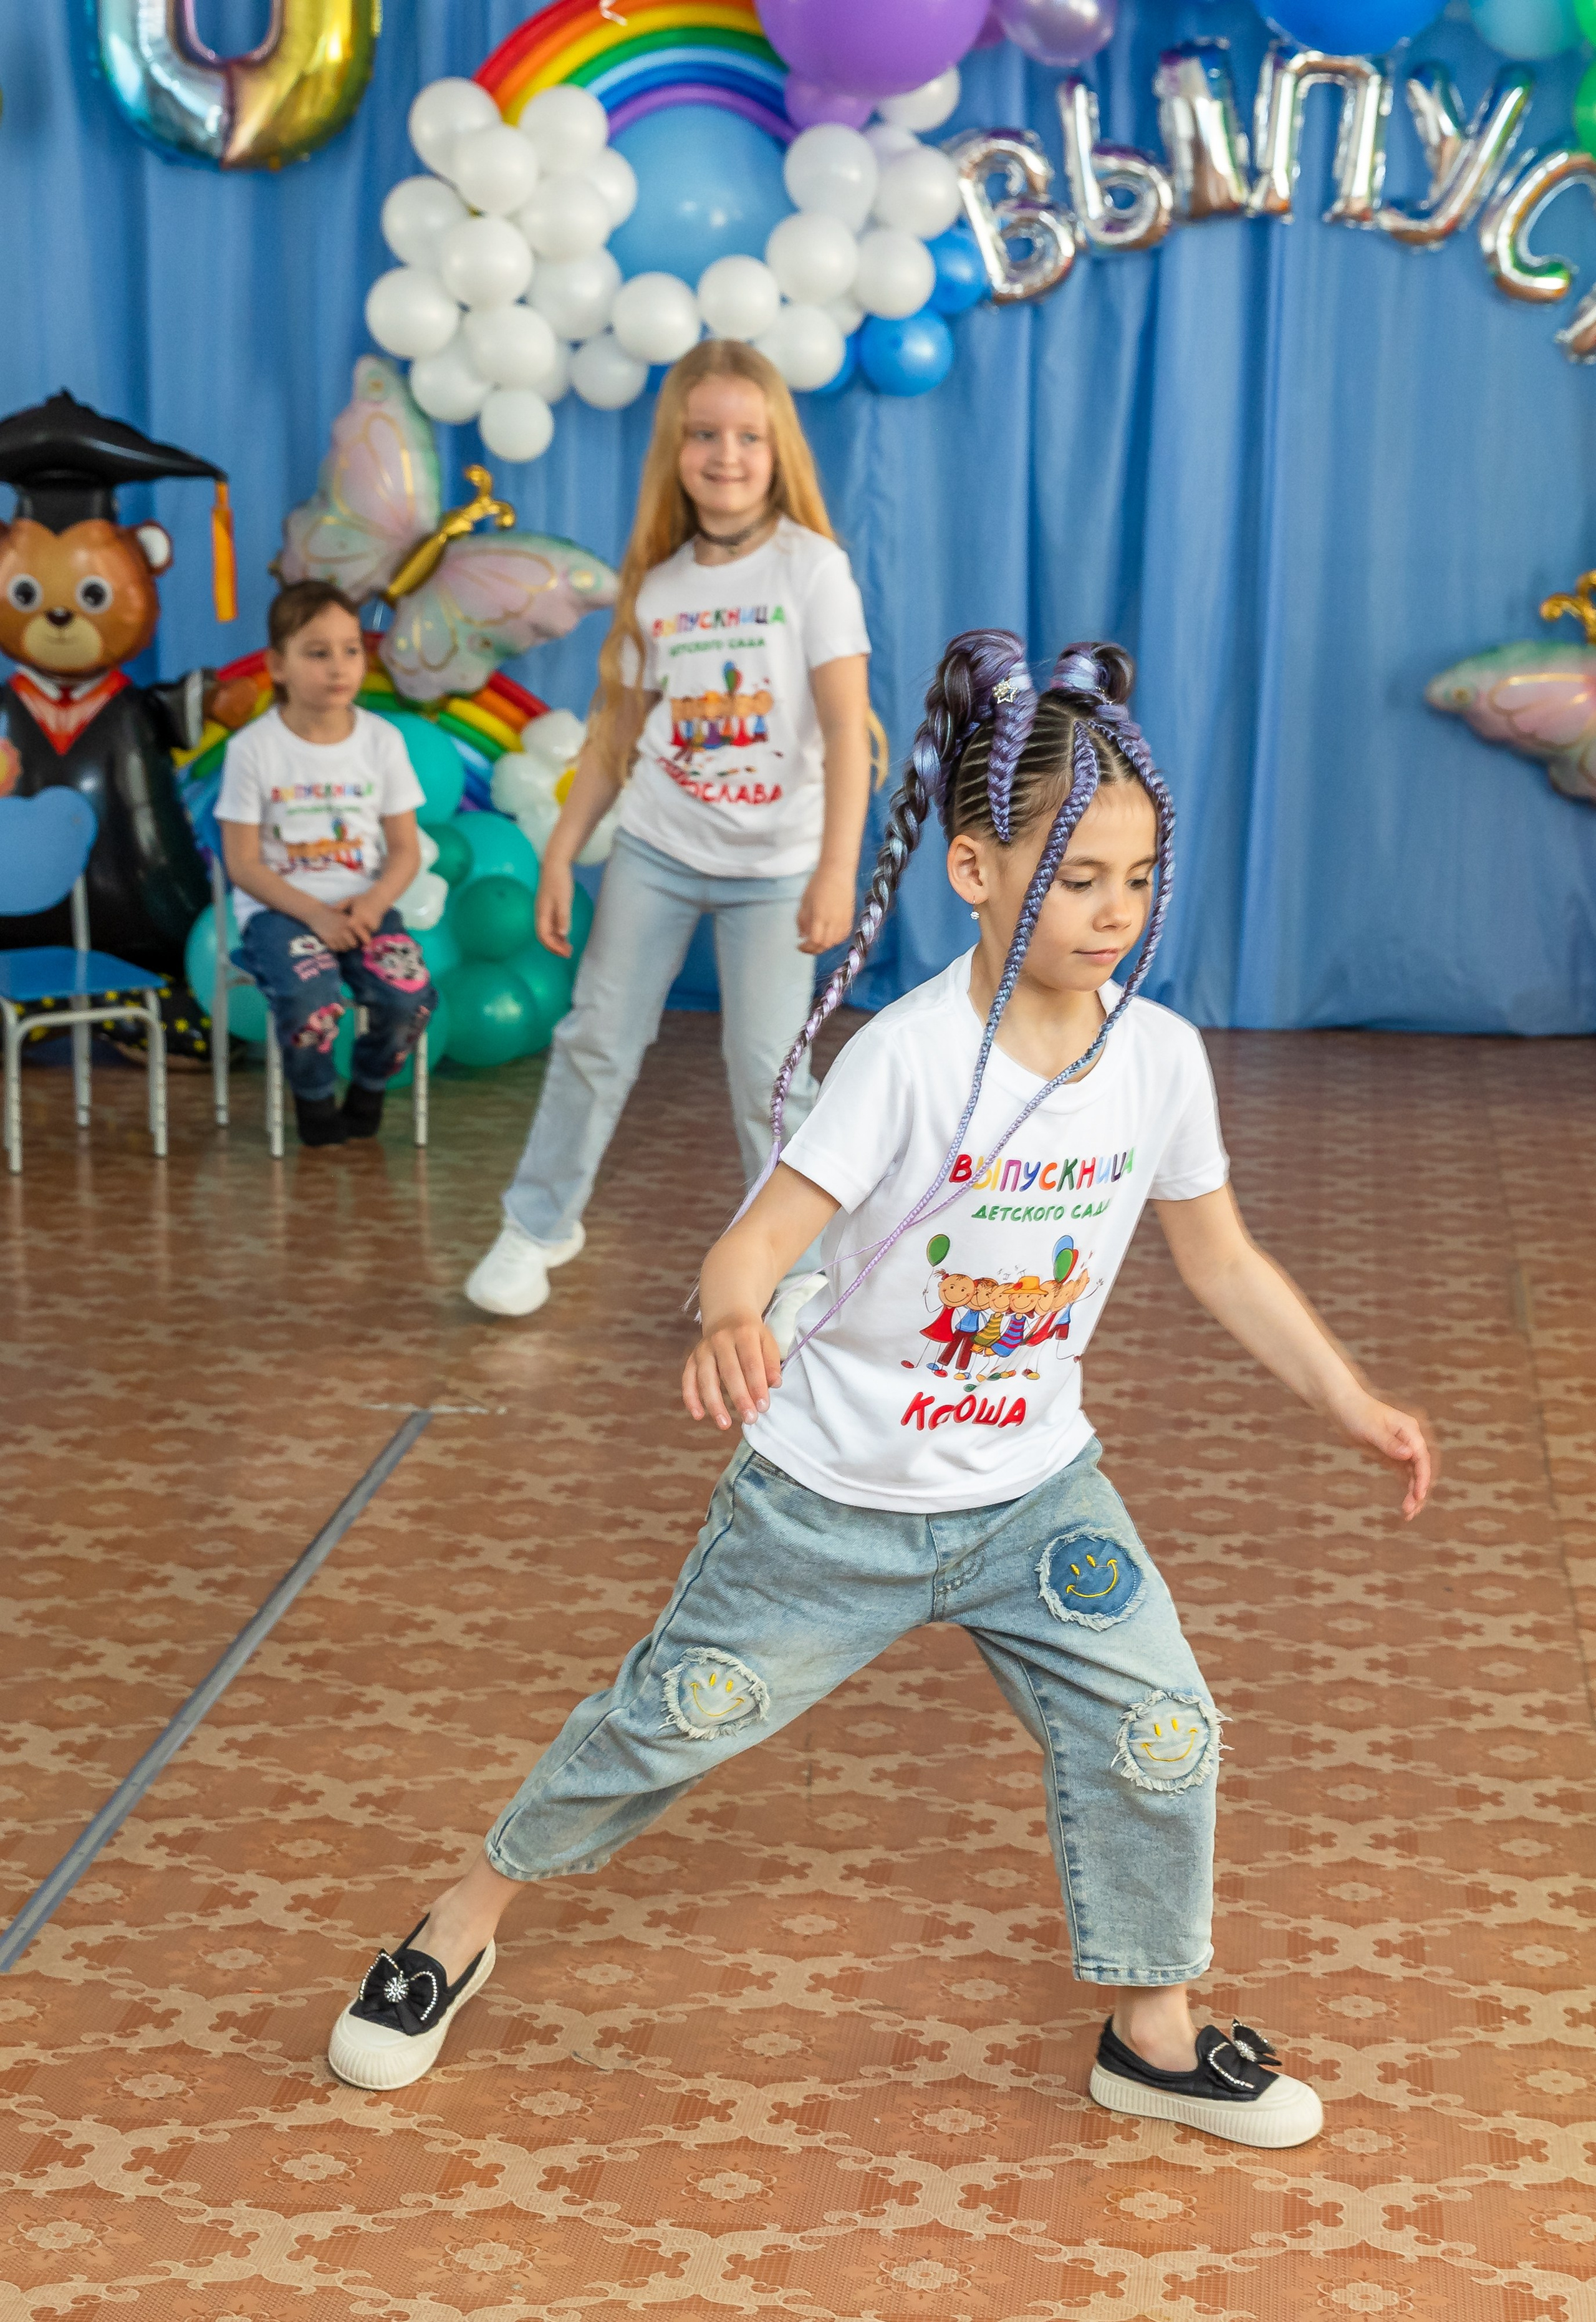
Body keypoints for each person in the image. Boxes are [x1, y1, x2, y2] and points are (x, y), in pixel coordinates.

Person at [326, 632, 1431, 2148]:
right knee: (668, 1721)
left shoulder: (1160, 1062)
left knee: (1160, 1725)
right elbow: (757, 1243)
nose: (1111, 911)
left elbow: (1222, 1262)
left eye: (1133, 877)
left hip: (1033, 1500)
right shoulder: (903, 1062)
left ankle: (1150, 2035)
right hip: (826, 1508)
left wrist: (1350, 1400)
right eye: (1074, 874)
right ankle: (457, 1921)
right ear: (974, 870)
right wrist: (730, 1317)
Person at [465, 339, 872, 1330]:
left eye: (747, 436)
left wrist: (834, 873)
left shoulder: (812, 570)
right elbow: (613, 740)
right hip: (657, 847)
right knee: (596, 1038)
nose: (725, 455)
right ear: (676, 452)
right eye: (703, 436)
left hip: (777, 869)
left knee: (769, 1074)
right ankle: (538, 1224)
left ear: (778, 452)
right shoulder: (660, 587)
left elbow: (851, 737)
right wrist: (564, 848)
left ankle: (801, 1269)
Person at [215, 580, 435, 1148]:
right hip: (282, 911)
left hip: (365, 908)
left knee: (408, 997)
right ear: (278, 666)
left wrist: (372, 904)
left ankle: (367, 1088)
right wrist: (316, 916)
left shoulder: (382, 742)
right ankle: (313, 1102)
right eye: (317, 653)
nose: (338, 667)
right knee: (311, 1000)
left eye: (351, 649)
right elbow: (242, 864)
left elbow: (406, 849)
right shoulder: (253, 750)